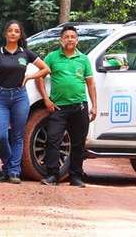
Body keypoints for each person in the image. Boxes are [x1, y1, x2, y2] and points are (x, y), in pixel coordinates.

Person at [0, 20, 50, 184]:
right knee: (0, 136)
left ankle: (14, 172)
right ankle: (8, 167)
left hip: (20, 97)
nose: (13, 33)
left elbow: (46, 69)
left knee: (17, 136)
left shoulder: (26, 53)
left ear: (20, 34)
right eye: (10, 30)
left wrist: (30, 76)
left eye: (16, 31)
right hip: (0, 96)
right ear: (5, 34)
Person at [38, 25, 97, 187]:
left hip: (80, 107)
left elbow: (90, 84)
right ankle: (52, 176)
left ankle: (76, 177)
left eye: (73, 36)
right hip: (58, 108)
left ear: (77, 40)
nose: (70, 39)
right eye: (66, 36)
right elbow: (39, 77)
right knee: (53, 140)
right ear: (61, 40)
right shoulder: (51, 57)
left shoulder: (83, 59)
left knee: (78, 143)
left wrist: (94, 106)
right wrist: (46, 99)